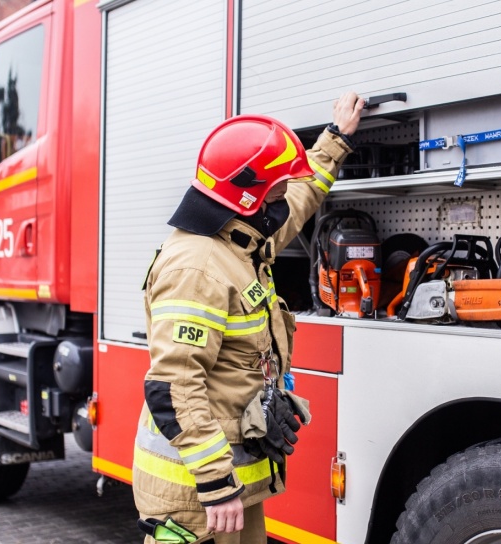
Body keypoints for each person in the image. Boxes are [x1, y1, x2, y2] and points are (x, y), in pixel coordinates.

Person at [133, 92, 364, 544]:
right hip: (195, 496)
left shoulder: (239, 244)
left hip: (229, 487)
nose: (280, 201)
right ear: (249, 197)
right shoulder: (197, 269)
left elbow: (296, 199)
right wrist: (217, 486)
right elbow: (175, 387)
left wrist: (335, 140)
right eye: (273, 192)